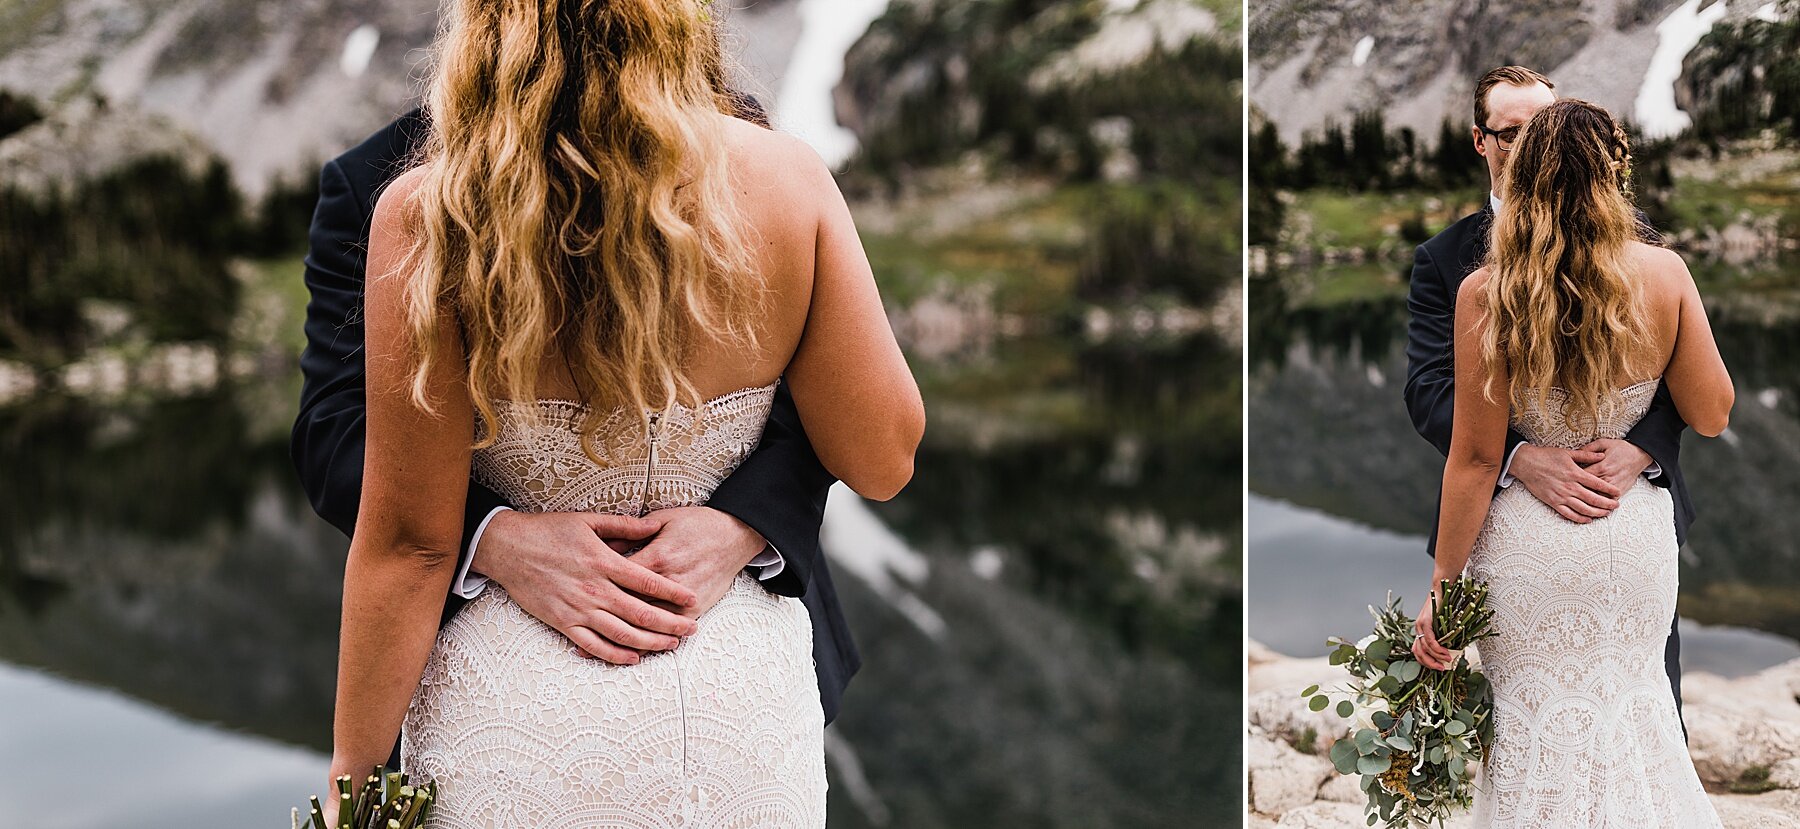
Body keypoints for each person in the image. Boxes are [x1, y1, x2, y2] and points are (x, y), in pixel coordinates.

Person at [306, 0, 926, 824]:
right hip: (740, 727)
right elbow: (882, 458)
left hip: (521, 730)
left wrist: (355, 786)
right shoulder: (786, 179)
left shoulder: (429, 220)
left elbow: (412, 547)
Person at [1411, 98, 1730, 827]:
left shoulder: (1487, 294)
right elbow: (1711, 412)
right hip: (1631, 538)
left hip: (1529, 547)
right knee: (1636, 711)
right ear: (1616, 173)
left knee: (1531, 725)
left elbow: (1475, 459)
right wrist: (1642, 434)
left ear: (1523, 174)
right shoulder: (1666, 273)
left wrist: (1443, 590)